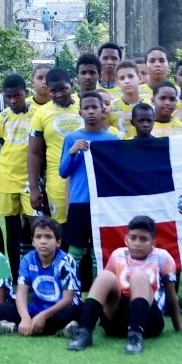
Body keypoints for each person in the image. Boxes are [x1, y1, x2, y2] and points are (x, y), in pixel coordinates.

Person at [67, 215, 182, 354]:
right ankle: (84, 332)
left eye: (143, 239)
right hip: (116, 323)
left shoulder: (163, 257)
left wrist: (179, 327)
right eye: (133, 238)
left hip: (149, 322)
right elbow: (105, 290)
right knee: (105, 276)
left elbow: (171, 296)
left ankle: (135, 337)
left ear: (153, 242)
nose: (137, 243)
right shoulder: (118, 254)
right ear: (126, 239)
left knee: (139, 277)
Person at [58, 91, 119, 288]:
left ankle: (97, 292)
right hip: (79, 202)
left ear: (103, 110)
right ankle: (70, 292)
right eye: (87, 108)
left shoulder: (112, 140)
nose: (91, 112)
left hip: (103, 203)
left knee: (98, 251)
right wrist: (73, 152)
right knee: (75, 250)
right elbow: (63, 171)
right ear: (80, 112)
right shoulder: (72, 139)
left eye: (95, 107)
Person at [0, 217, 82, 337]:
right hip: (37, 308)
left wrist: (42, 316)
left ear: (58, 242)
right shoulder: (28, 259)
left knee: (76, 311)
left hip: (60, 309)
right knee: (5, 308)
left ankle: (14, 328)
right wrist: (25, 317)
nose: (43, 241)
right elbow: (21, 293)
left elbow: (67, 299)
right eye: (38, 237)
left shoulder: (66, 261)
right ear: (33, 241)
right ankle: (60, 330)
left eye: (48, 237)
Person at [0, 74, 35, 273]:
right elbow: (1, 145)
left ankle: (36, 270)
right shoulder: (1, 118)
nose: (12, 101)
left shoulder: (37, 114)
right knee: (12, 230)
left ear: (25, 93)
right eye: (8, 97)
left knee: (36, 225)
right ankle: (16, 275)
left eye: (17, 96)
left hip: (29, 179)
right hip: (7, 178)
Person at [29, 67, 79, 223]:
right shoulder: (41, 114)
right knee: (61, 230)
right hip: (57, 181)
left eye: (63, 89)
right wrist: (34, 188)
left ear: (71, 85)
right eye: (53, 91)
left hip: (84, 178)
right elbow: (34, 153)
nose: (58, 95)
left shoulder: (84, 106)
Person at [108, 60, 145, 138]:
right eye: (122, 78)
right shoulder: (110, 107)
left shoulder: (150, 105)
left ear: (139, 78)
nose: (127, 81)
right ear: (117, 83)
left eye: (130, 76)